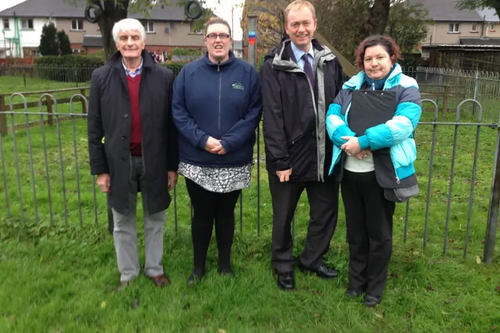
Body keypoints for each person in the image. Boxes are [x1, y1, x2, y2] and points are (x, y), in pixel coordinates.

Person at [326, 35, 422, 307]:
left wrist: (364, 141)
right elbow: (332, 117)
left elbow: (404, 123)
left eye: (380, 57)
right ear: (362, 62)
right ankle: (356, 283)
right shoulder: (350, 86)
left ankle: (374, 289)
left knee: (379, 233)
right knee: (356, 232)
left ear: (392, 58)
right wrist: (350, 142)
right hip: (351, 171)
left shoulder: (406, 86)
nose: (374, 63)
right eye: (368, 59)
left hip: (381, 174)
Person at [87, 18, 178, 291]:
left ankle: (154, 268)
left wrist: (172, 166)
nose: (129, 43)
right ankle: (128, 273)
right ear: (117, 44)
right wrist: (101, 170)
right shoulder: (101, 77)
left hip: (155, 160)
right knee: (122, 221)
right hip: (119, 162)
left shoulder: (164, 77)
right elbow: (94, 128)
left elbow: (172, 127)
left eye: (134, 38)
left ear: (144, 42)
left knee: (155, 218)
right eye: (124, 38)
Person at [260, 0, 344, 291]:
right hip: (289, 157)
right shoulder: (273, 64)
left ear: (315, 24)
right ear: (286, 28)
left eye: (305, 23)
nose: (301, 29)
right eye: (294, 24)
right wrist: (280, 159)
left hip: (324, 154)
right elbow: (271, 115)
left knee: (325, 212)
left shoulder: (330, 60)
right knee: (284, 216)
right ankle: (283, 265)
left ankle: (312, 259)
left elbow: (340, 103)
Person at [172, 17, 262, 285]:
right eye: (213, 36)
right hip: (197, 158)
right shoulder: (188, 73)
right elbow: (179, 112)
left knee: (225, 214)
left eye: (223, 35)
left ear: (231, 40)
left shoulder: (248, 73)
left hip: (233, 158)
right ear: (205, 41)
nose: (218, 40)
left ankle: (225, 264)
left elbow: (254, 111)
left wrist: (229, 142)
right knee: (201, 213)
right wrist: (204, 141)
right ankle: (198, 268)